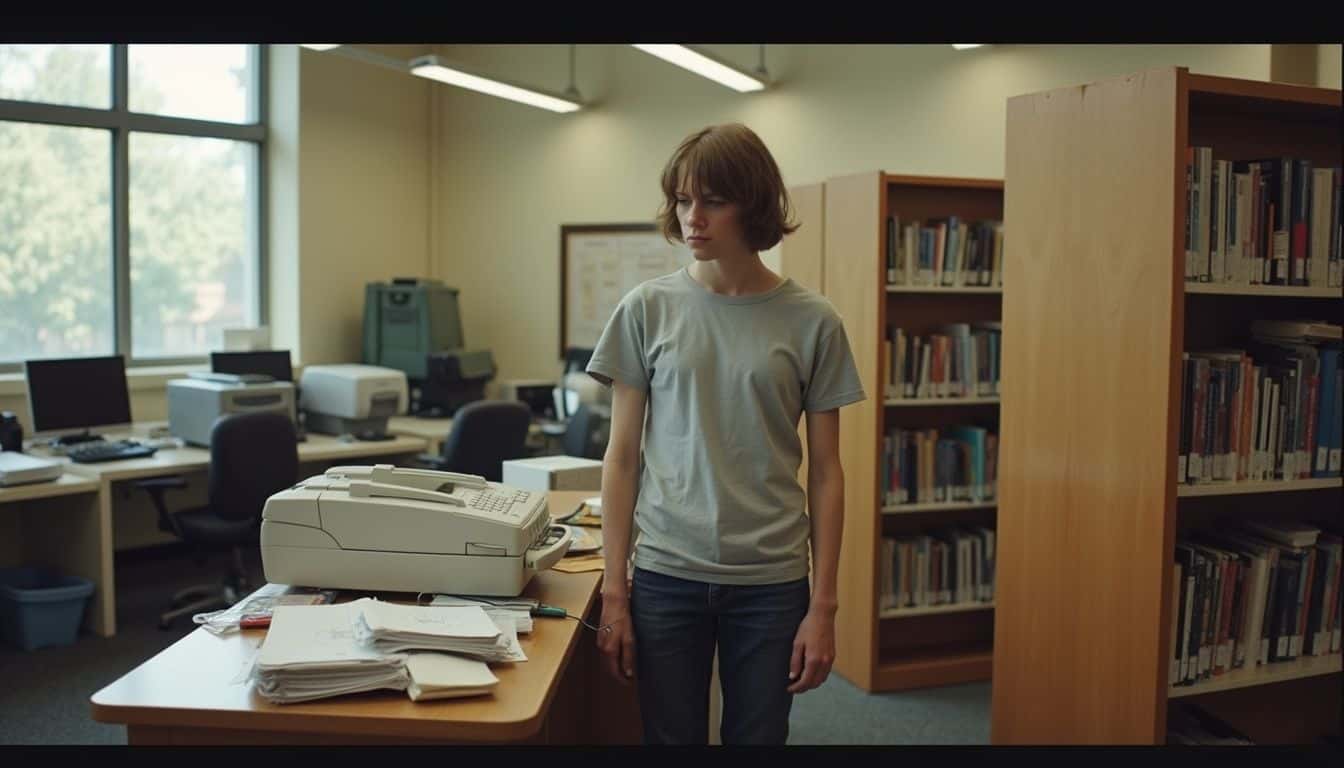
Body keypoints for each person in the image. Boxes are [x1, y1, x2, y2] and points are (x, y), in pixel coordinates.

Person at [584, 123, 866, 745]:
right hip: (665, 572)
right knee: (669, 739)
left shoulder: (813, 321)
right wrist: (615, 592)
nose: (693, 218)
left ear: (754, 203)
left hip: (770, 580)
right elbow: (622, 458)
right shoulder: (645, 308)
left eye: (712, 200)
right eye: (683, 201)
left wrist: (824, 608)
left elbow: (826, 472)